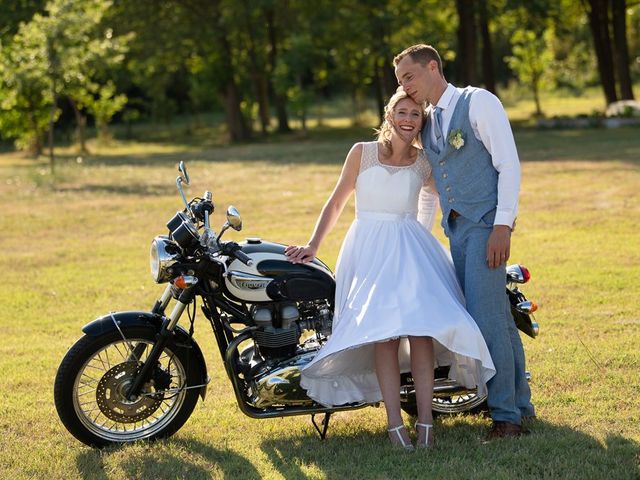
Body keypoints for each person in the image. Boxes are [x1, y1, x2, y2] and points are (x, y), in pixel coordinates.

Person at [285, 89, 495, 450]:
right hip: (368, 249)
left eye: (416, 114)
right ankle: (395, 424)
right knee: (383, 334)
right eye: (403, 111)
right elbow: (336, 202)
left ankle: (427, 422)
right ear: (389, 114)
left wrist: (434, 227)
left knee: (422, 330)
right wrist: (313, 246)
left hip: (410, 247)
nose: (409, 120)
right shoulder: (361, 153)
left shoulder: (423, 161)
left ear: (421, 122)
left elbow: (442, 195)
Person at [393, 44, 535, 440]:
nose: (405, 87)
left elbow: (509, 164)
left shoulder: (478, 103)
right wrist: (418, 236)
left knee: (488, 319)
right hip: (456, 230)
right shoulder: (430, 118)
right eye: (400, 81)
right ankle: (520, 405)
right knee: (498, 318)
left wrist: (502, 226)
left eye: (409, 77)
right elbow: (433, 187)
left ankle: (506, 418)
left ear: (432, 67)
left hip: (487, 228)